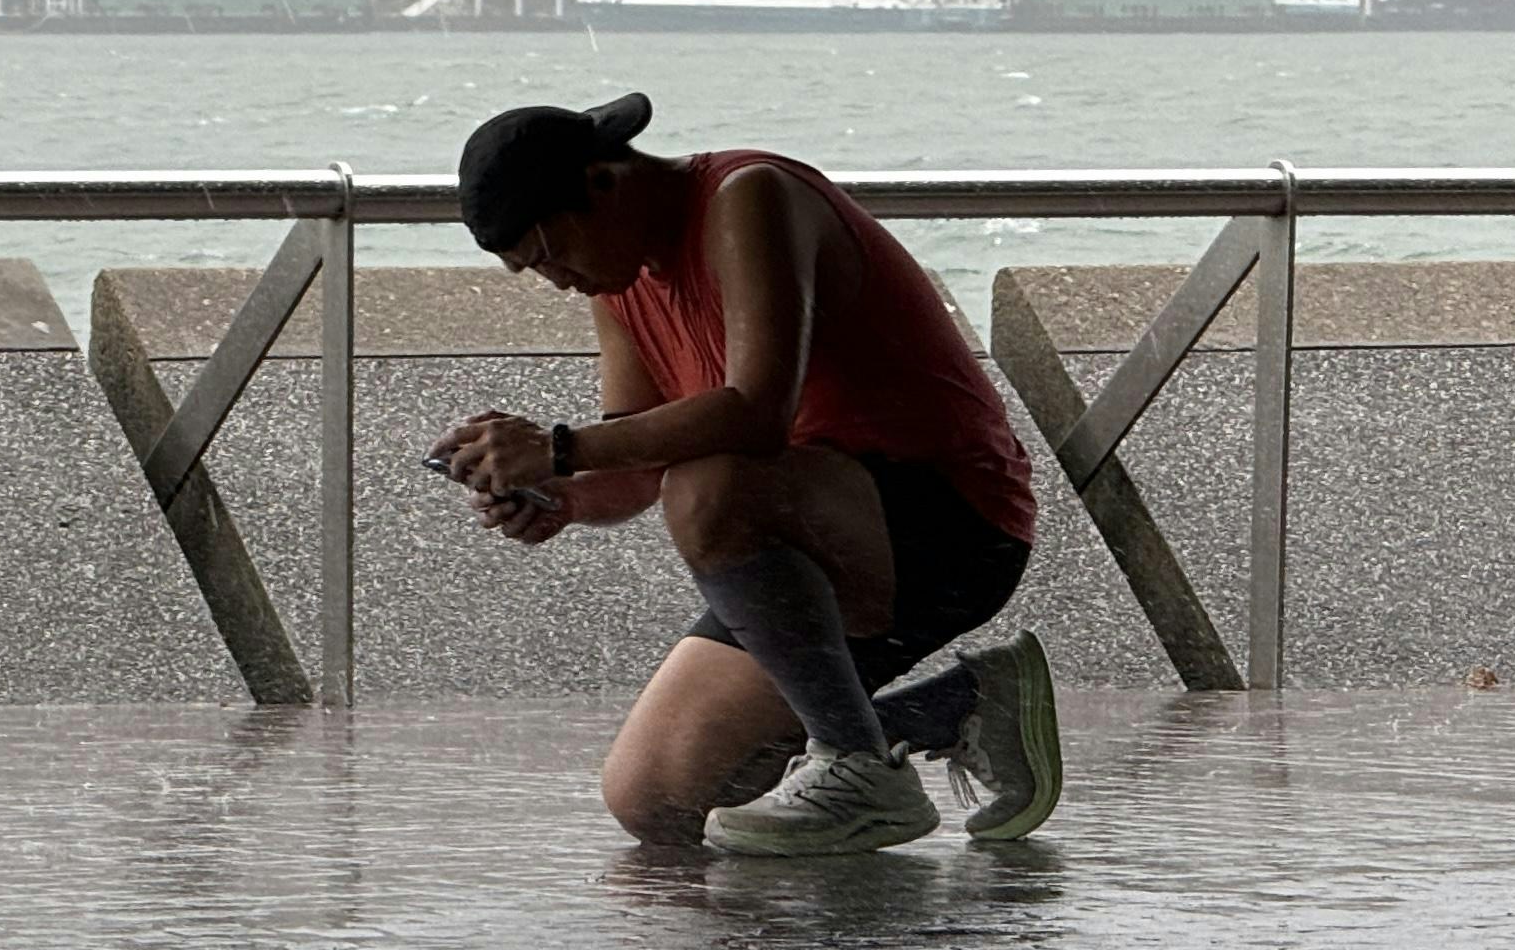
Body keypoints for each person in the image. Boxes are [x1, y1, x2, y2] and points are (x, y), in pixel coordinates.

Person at [431, 94, 1062, 857]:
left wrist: (560, 447)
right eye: (533, 272)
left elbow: (757, 414)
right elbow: (634, 468)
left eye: (551, 252)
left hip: (949, 521)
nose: (559, 281)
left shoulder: (750, 196)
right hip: (797, 530)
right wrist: (555, 497)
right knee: (651, 796)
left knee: (707, 485)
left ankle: (862, 767)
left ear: (603, 181)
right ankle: (965, 706)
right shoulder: (619, 282)